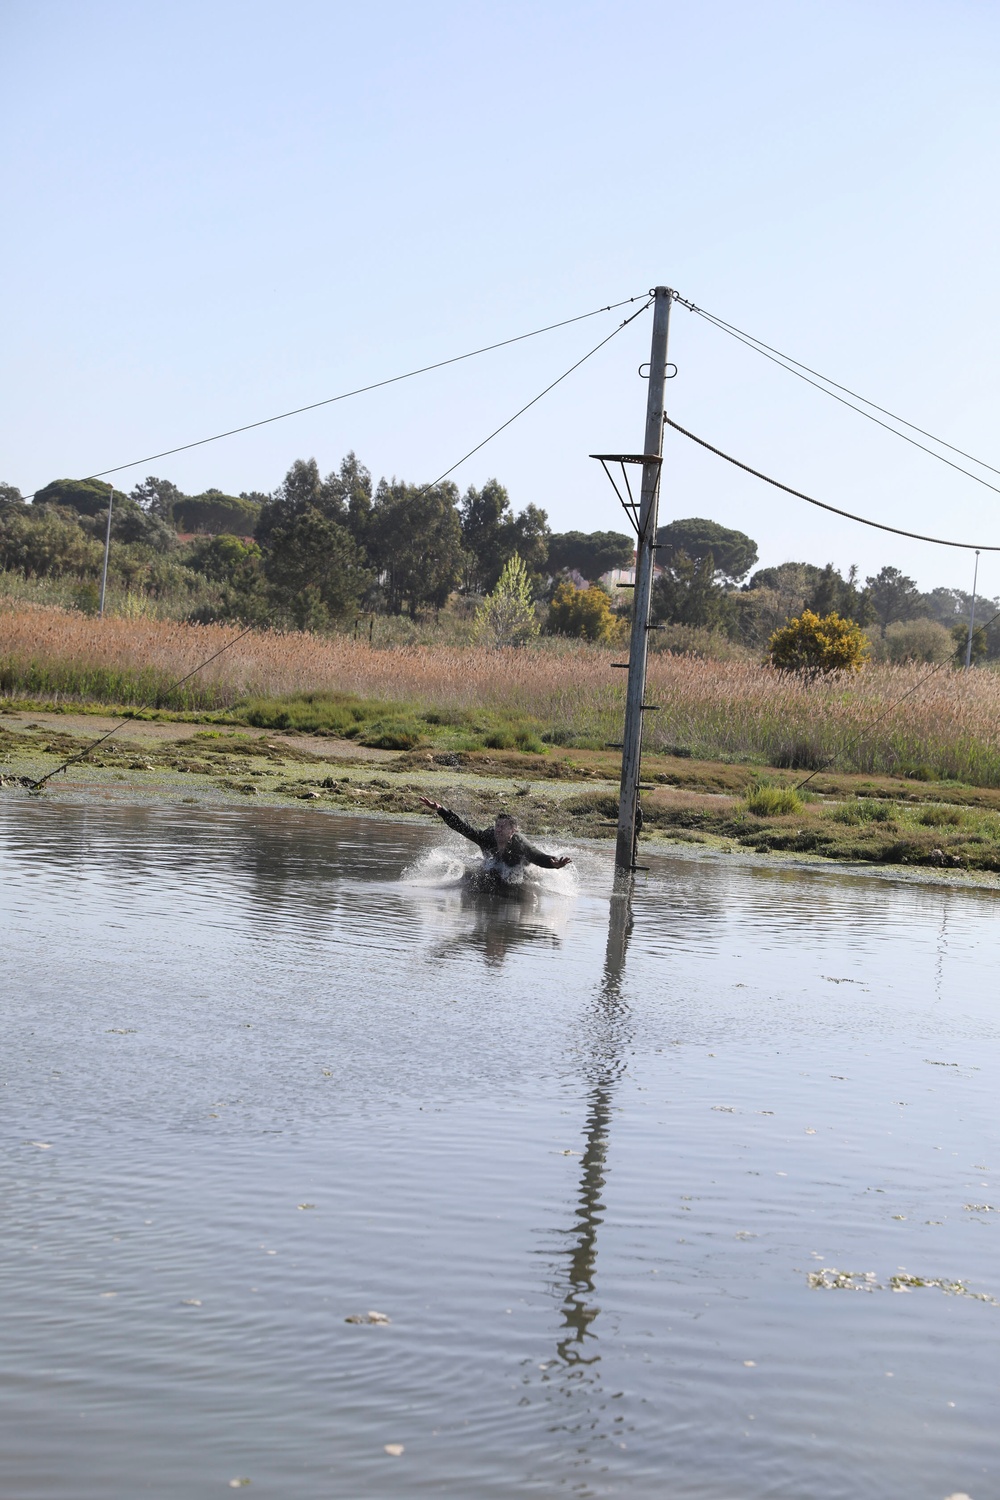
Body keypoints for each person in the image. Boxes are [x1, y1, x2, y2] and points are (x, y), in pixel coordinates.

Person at [419, 798, 571, 878]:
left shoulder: (519, 843)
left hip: (519, 871)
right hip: (496, 868)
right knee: (474, 876)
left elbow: (536, 855)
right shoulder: (487, 837)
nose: (498, 830)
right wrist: (441, 810)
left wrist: (554, 864)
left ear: (513, 830)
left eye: (503, 827)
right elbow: (463, 828)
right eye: (497, 826)